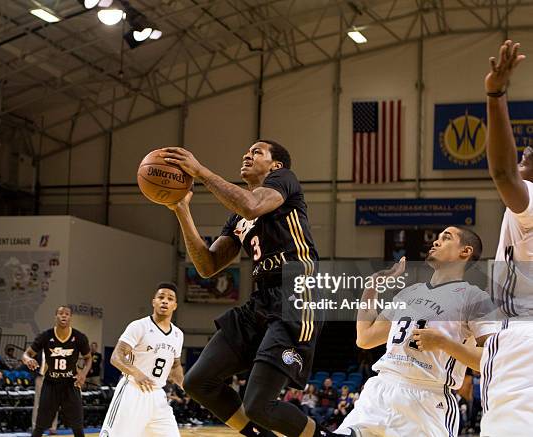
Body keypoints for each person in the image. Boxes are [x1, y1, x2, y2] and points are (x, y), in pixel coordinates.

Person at [162, 141, 325, 436]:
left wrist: (199, 171)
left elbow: (253, 205)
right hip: (261, 299)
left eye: (257, 152)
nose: (247, 155)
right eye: (247, 152)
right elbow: (208, 265)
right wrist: (181, 210)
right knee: (198, 382)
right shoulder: (238, 218)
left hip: (296, 291)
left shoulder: (283, 181)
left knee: (259, 405)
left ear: (276, 165)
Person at [335, 227, 498, 436]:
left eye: (446, 238)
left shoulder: (474, 298)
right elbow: (365, 338)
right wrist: (372, 287)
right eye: (437, 238)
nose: (436, 242)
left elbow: (493, 359)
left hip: (427, 400)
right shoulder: (409, 292)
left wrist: (444, 343)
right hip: (381, 392)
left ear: (465, 252)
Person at [480, 39, 533, 435]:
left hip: (523, 339)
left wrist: (495, 95)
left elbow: (502, 175)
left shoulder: (529, 202)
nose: (518, 160)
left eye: (525, 158)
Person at [100, 282, 184, 437]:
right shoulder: (138, 326)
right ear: (154, 302)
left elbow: (175, 365)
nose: (165, 301)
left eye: (170, 298)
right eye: (161, 297)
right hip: (132, 391)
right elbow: (116, 357)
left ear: (175, 305)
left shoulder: (178, 334)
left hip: (158, 396)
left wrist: (186, 384)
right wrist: (136, 373)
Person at [22, 306, 91, 437]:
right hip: (50, 383)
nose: (64, 316)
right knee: (39, 426)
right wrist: (27, 360)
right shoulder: (46, 336)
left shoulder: (79, 337)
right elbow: (26, 354)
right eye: (60, 313)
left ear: (70, 317)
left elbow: (88, 358)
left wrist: (83, 374)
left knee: (78, 426)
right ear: (56, 317)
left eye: (67, 314)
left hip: (71, 384)